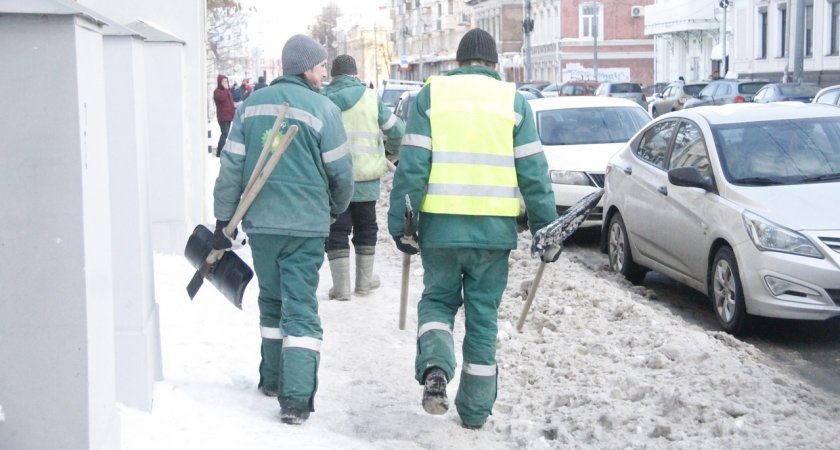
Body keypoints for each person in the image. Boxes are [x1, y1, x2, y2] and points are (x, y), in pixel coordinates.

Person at [386, 28, 560, 430]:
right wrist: (545, 231)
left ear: (459, 62)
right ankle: (476, 411)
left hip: (440, 232)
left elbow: (412, 166)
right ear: (495, 65)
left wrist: (403, 225)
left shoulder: (432, 96)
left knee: (438, 302)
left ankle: (435, 369)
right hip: (493, 236)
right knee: (483, 317)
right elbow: (534, 175)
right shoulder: (514, 103)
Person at [212, 34, 354, 425]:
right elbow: (341, 173)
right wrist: (335, 209)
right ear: (305, 68)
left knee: (272, 300)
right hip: (307, 225)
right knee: (301, 307)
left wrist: (224, 218)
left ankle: (272, 380)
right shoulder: (324, 110)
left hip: (262, 224)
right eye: (321, 65)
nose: (325, 72)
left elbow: (232, 168)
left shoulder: (250, 107)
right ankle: (294, 399)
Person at [321, 55, 405, 300]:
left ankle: (342, 288)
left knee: (337, 229)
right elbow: (398, 131)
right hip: (367, 180)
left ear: (333, 76)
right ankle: (364, 283)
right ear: (355, 75)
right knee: (366, 227)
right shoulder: (370, 98)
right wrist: (387, 153)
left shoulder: (323, 100)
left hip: (334, 180)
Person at [212, 74, 235, 158]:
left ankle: (224, 151)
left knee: (227, 134)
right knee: (224, 134)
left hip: (229, 116)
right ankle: (219, 152)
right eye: (223, 81)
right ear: (220, 82)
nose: (225, 83)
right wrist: (225, 90)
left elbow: (230, 103)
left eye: (226, 81)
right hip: (223, 117)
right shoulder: (217, 91)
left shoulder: (228, 91)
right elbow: (221, 99)